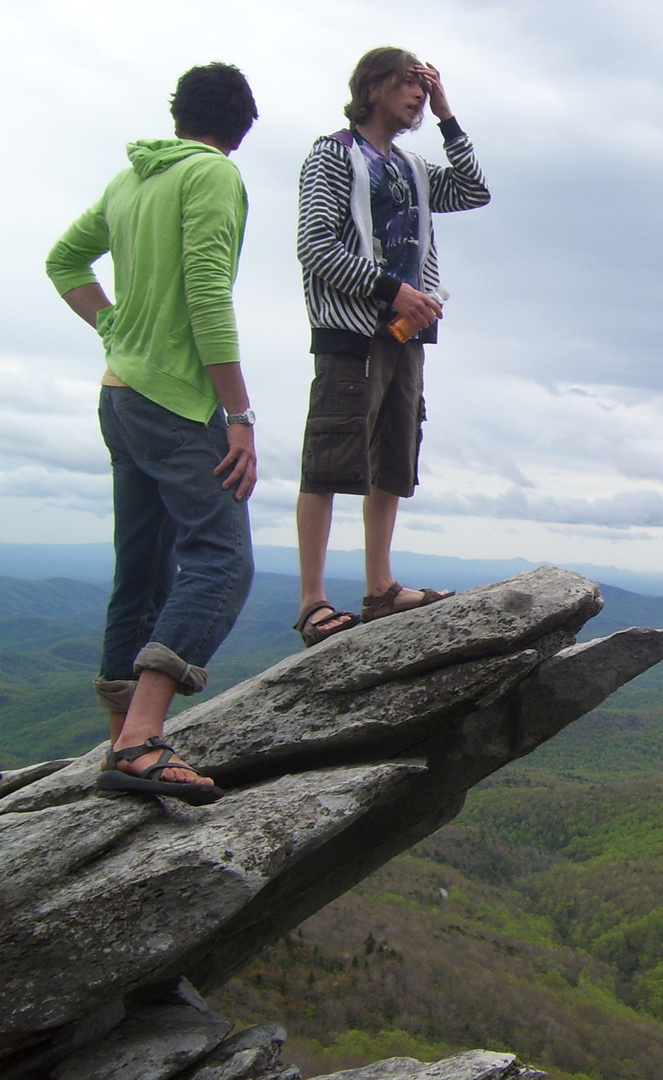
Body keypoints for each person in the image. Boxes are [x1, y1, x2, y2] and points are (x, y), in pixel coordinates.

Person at [45, 63, 260, 804]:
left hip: (119, 395)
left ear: (178, 115)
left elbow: (63, 261)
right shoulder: (214, 177)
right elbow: (207, 290)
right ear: (241, 127)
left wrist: (113, 327)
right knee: (222, 559)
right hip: (175, 399)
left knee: (142, 567)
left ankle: (117, 742)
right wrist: (239, 413)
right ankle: (141, 740)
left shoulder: (127, 181)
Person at [294, 47, 490, 646]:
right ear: (373, 86)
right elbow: (316, 246)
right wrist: (393, 291)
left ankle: (380, 589)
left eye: (424, 87)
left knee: (391, 460)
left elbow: (476, 190)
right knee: (329, 460)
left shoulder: (412, 167)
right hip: (353, 329)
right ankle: (312, 602)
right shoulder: (332, 154)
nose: (418, 96)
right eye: (409, 84)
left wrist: (449, 114)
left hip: (405, 334)